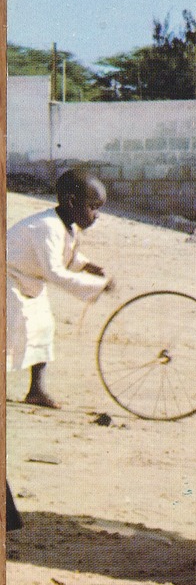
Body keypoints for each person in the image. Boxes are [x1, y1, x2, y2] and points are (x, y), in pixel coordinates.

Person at [7, 169, 111, 409]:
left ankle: (36, 391)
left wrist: (88, 266)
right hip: (9, 278)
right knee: (11, 332)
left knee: (43, 328)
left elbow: (66, 256)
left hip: (28, 280)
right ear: (72, 202)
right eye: (93, 207)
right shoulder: (46, 227)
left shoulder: (64, 225)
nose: (96, 215)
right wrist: (97, 286)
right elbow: (55, 272)